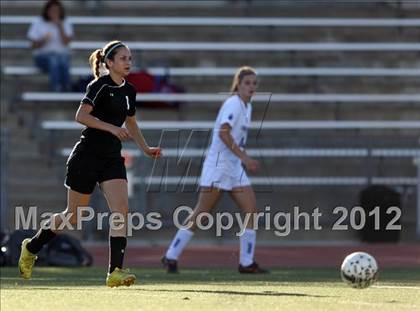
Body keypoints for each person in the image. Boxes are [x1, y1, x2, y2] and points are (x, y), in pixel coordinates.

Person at [18, 40, 162, 287]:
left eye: (130, 58)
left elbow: (132, 122)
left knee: (122, 212)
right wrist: (112, 128)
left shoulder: (130, 90)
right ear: (109, 63)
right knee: (73, 217)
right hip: (86, 156)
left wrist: (145, 148)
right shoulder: (99, 86)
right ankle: (31, 247)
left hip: (111, 159)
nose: (128, 62)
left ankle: (114, 271)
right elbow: (81, 116)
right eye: (123, 58)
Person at [162, 66, 268, 274]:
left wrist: (240, 159)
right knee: (202, 212)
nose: (251, 87)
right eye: (247, 83)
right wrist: (244, 157)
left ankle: (246, 262)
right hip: (219, 165)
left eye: (255, 84)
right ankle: (170, 256)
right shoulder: (233, 104)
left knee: (251, 210)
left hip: (233, 167)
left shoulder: (248, 106)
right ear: (238, 84)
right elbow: (223, 132)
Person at [27, 0, 73, 92]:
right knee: (54, 61)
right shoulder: (38, 22)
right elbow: (32, 45)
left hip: (61, 56)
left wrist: (60, 27)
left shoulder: (65, 22)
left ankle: (66, 88)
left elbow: (67, 42)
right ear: (46, 11)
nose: (54, 13)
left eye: (57, 11)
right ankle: (56, 89)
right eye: (52, 10)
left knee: (63, 61)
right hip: (42, 57)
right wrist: (43, 40)